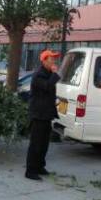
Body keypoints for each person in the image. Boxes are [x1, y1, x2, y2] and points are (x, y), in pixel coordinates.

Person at [25, 49, 61, 181]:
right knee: (36, 143)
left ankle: (40, 166)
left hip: (46, 114)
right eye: (51, 59)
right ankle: (30, 170)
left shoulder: (48, 73)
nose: (54, 62)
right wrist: (55, 74)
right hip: (38, 114)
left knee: (44, 143)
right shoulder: (39, 75)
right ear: (44, 60)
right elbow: (47, 86)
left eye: (54, 59)